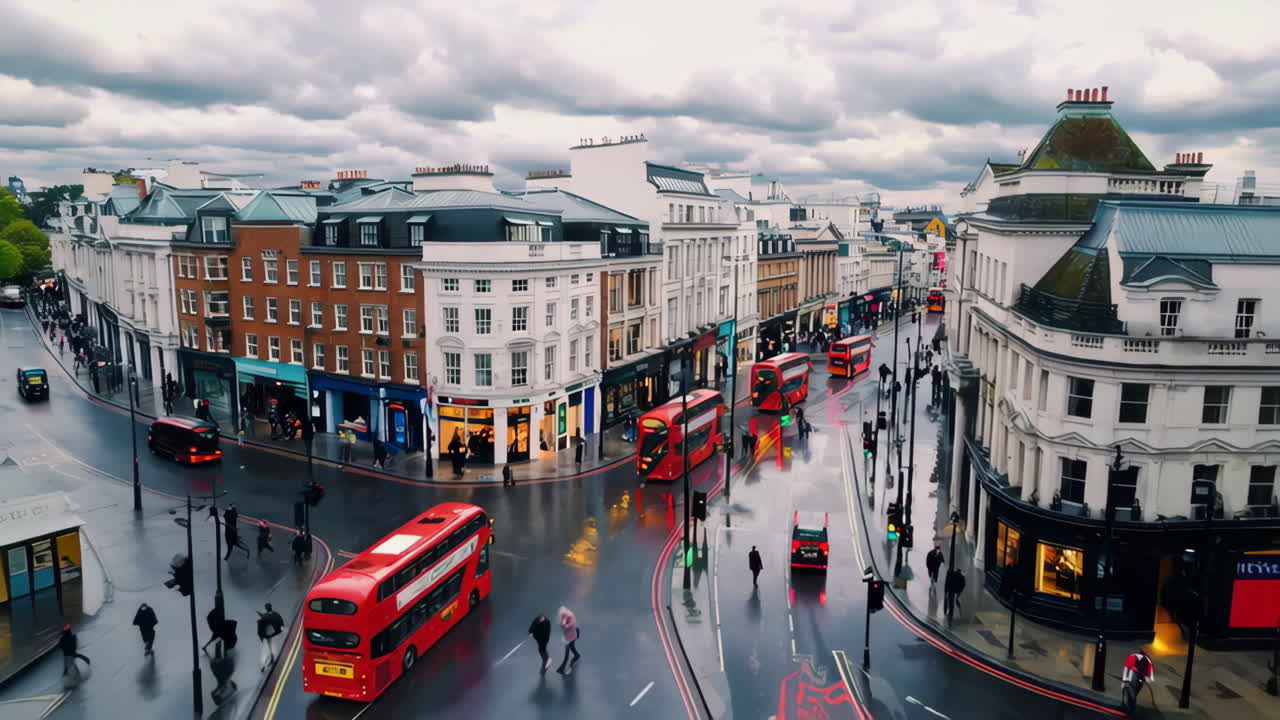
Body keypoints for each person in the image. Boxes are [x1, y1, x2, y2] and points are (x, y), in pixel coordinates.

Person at [257, 602, 285, 671]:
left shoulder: (265, 618)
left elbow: (265, 618)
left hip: (269, 635)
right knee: (269, 648)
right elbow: (280, 622)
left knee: (268, 649)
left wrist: (261, 637)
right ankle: (270, 659)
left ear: (266, 608)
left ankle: (265, 665)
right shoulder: (275, 614)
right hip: (275, 633)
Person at [555, 606, 581, 675]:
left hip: (570, 637)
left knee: (567, 653)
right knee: (572, 647)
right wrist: (563, 623)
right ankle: (577, 655)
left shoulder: (570, 617)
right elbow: (562, 623)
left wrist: (564, 625)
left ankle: (562, 668)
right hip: (569, 636)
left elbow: (568, 626)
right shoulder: (565, 615)